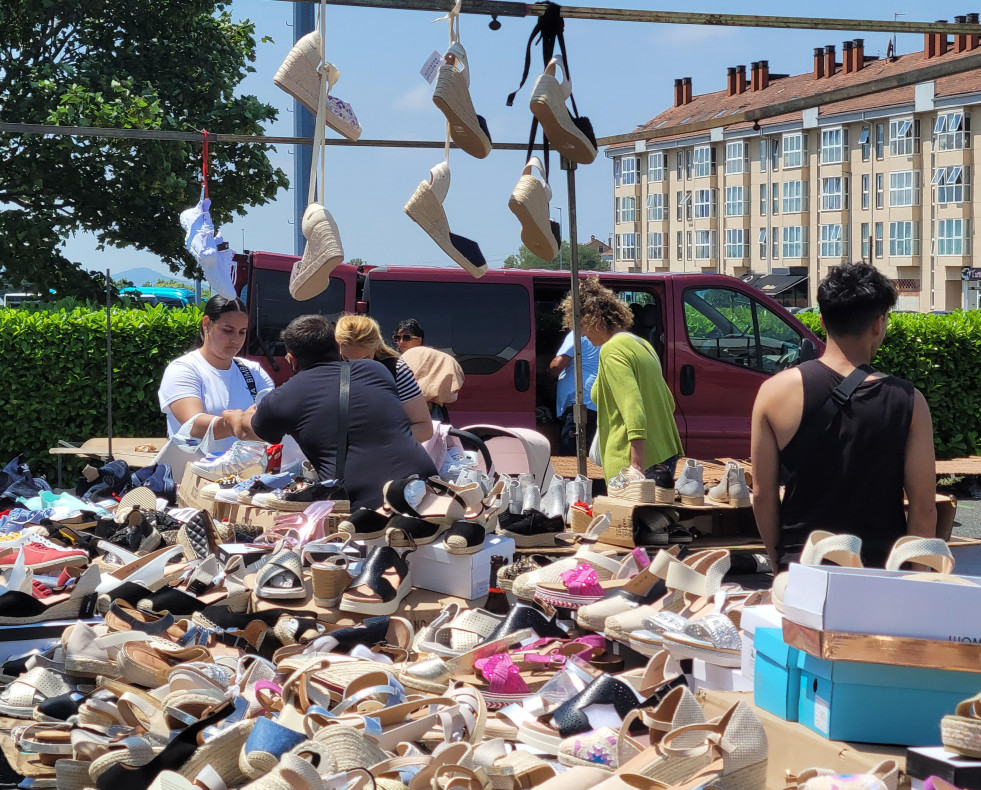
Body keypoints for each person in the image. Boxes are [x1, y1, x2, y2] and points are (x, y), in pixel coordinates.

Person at [751, 263, 936, 571]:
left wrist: (781, 562)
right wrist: (915, 579)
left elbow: (762, 495)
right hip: (881, 571)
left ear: (822, 320)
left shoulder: (773, 392)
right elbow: (924, 507)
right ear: (878, 323)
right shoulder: (909, 401)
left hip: (804, 565)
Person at [223, 315, 438, 511]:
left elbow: (245, 430)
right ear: (337, 346)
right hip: (427, 487)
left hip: (369, 504)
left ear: (291, 359)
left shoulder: (284, 397)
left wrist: (233, 417)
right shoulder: (377, 370)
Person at [563, 278, 683, 483]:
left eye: (582, 325)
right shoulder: (641, 344)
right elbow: (668, 402)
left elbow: (632, 405)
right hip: (665, 454)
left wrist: (636, 464)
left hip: (632, 464)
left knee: (625, 515)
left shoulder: (612, 350)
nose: (582, 334)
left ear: (596, 318)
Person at [158, 295, 273, 452]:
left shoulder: (253, 371)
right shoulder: (182, 369)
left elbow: (273, 417)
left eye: (242, 332)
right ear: (206, 323)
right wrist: (234, 424)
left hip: (248, 472)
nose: (236, 340)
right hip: (194, 473)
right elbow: (192, 424)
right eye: (228, 330)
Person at [334, 315, 433, 442]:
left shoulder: (396, 369)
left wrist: (379, 442)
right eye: (346, 359)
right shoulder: (329, 367)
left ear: (376, 346)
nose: (355, 368)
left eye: (365, 359)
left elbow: (424, 428)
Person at [549, 326, 600, 455]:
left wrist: (545, 377)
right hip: (597, 403)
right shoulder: (606, 335)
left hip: (580, 403)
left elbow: (557, 365)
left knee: (572, 456)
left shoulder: (580, 332)